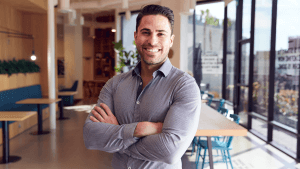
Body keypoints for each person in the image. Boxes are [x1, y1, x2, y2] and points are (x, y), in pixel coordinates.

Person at [83, 4, 201, 169]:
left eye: (161, 34)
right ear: (136, 36)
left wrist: (118, 133)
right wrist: (140, 129)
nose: (152, 41)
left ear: (171, 40)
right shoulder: (114, 84)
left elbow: (170, 151)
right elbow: (91, 137)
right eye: (146, 32)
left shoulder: (184, 86)